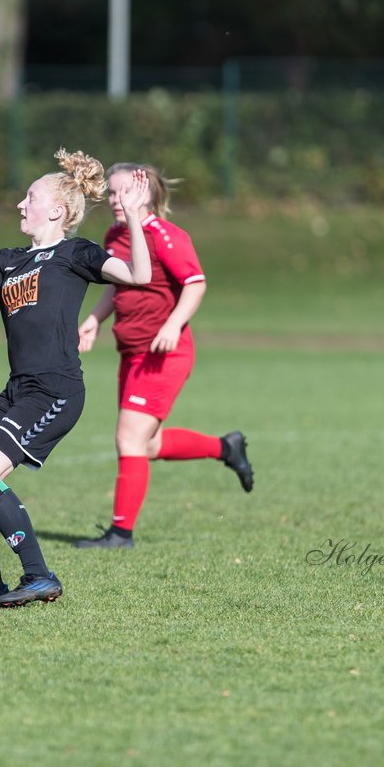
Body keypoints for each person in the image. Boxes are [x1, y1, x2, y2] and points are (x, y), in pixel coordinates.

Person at [0, 149, 151, 607]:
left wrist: (134, 217)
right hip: (18, 389)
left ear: (57, 211)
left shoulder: (76, 253)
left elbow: (139, 274)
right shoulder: (6, 261)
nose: (21, 204)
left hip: (56, 389)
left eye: (30, 197)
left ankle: (40, 575)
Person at [73, 162, 254, 551]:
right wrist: (94, 319)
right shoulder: (115, 235)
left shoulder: (165, 236)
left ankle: (121, 534)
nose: (115, 200)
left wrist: (172, 325)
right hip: (132, 353)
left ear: (146, 194)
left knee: (128, 439)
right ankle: (226, 447)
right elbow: (116, 285)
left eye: (124, 192)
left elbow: (195, 284)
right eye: (112, 193)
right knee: (147, 445)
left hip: (164, 354)